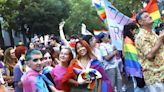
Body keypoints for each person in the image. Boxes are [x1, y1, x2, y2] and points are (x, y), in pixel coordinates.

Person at [135, 11, 164, 92]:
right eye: (146, 16)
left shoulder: (152, 33)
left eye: (149, 15)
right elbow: (149, 55)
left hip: (161, 74)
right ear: (141, 22)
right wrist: (160, 39)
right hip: (154, 78)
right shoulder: (141, 36)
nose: (150, 16)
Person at [123, 23, 145, 92]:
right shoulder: (128, 41)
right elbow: (134, 55)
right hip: (135, 66)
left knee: (139, 84)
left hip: (133, 66)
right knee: (139, 85)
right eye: (135, 30)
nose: (135, 31)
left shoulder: (127, 39)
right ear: (130, 30)